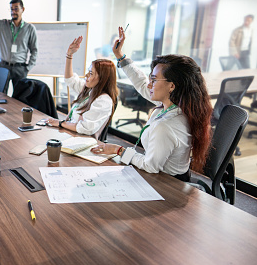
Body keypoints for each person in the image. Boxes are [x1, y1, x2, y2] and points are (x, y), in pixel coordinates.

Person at [91, 26, 213, 181]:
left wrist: (118, 149)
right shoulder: (179, 106)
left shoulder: (166, 125)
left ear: (172, 85)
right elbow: (141, 83)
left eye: (154, 80)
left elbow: (150, 166)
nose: (149, 84)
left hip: (168, 184)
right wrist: (120, 56)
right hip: (167, 176)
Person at [45, 36, 118, 139]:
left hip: (82, 142)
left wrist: (61, 123)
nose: (86, 75)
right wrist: (69, 55)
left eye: (91, 73)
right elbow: (70, 79)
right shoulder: (89, 90)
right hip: (71, 135)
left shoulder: (103, 101)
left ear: (102, 79)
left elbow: (86, 128)